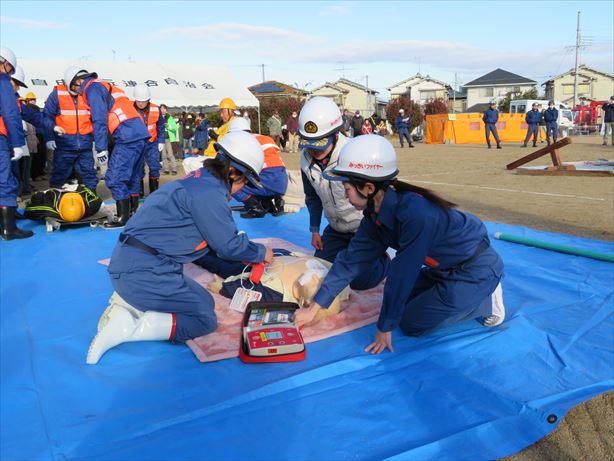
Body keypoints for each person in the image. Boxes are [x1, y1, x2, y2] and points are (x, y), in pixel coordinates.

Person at [295, 135, 505, 355]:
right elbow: (350, 262)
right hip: (442, 268)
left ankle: (488, 300)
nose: (345, 196)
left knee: (411, 323)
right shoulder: (375, 216)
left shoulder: (416, 215)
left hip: (473, 269)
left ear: (368, 188)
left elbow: (402, 274)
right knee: (396, 300)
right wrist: (315, 308)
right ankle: (452, 294)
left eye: (346, 189)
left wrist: (384, 328)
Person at [86, 131, 274, 364]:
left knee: (204, 302)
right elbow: (228, 246)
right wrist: (260, 252)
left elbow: (211, 246)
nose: (243, 188)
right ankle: (129, 329)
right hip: (144, 272)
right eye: (245, 181)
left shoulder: (200, 180)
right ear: (233, 172)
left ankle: (126, 304)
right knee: (204, 320)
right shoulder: (210, 194)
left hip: (139, 264)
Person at [298, 96, 388, 291]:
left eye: (319, 143)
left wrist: (375, 232)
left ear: (336, 133)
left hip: (363, 229)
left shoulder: (353, 154)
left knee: (358, 281)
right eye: (309, 143)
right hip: (337, 230)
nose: (313, 149)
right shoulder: (305, 159)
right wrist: (315, 229)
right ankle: (348, 254)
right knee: (319, 272)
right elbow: (312, 197)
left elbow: (375, 196)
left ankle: (382, 260)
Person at [67, 68, 150, 227]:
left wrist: (101, 148)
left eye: (75, 89)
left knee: (114, 178)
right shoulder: (105, 85)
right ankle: (132, 213)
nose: (77, 93)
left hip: (127, 136)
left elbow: (99, 119)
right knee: (132, 177)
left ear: (78, 81)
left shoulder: (92, 88)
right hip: (139, 134)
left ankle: (123, 218)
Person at [43, 66, 98, 195]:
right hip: (64, 143)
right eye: (79, 81)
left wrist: (96, 138)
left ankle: (91, 198)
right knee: (60, 172)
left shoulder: (88, 95)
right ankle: (55, 198)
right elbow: (47, 116)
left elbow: (97, 117)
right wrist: (49, 137)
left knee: (89, 172)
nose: (82, 85)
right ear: (70, 81)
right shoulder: (57, 94)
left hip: (85, 142)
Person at [226, 116, 287, 218]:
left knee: (230, 181)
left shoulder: (242, 141)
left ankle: (254, 206)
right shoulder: (264, 138)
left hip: (267, 178)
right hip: (282, 180)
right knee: (252, 177)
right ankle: (271, 202)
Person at [0, 47, 32, 239]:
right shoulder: (2, 79)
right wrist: (18, 143)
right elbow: (10, 113)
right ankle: (8, 229)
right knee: (5, 182)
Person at [132, 84, 164, 197]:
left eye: (143, 101)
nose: (140, 103)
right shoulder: (130, 109)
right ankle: (139, 193)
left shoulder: (156, 109)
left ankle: (154, 193)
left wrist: (161, 141)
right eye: (138, 101)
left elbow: (160, 126)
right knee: (138, 169)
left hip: (152, 143)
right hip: (137, 144)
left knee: (155, 167)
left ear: (148, 99)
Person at [24, 184, 102, 223]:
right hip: (59, 190)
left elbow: (29, 210)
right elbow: (29, 210)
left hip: (72, 189)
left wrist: (51, 214)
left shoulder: (49, 208)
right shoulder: (93, 204)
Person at [159, 104, 178, 175]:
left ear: (166, 110)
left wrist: (168, 126)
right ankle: (166, 169)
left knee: (170, 154)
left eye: (164, 109)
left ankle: (174, 169)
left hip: (168, 139)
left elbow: (175, 128)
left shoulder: (170, 118)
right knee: (163, 155)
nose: (162, 110)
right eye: (161, 109)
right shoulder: (159, 117)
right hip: (161, 139)